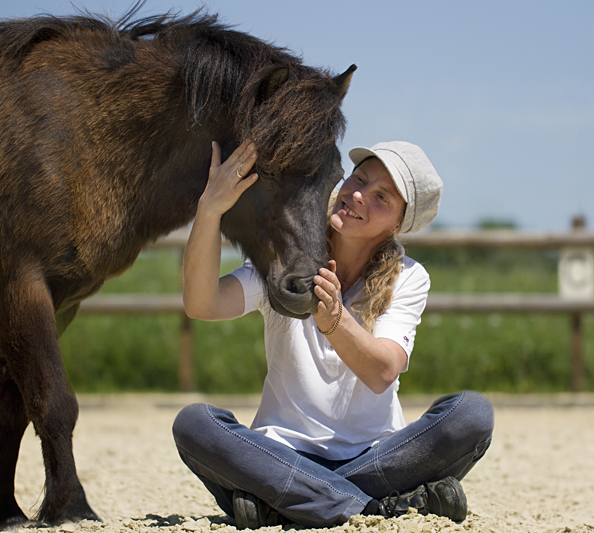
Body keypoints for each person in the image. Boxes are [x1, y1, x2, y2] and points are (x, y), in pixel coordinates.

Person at [172, 139, 494, 529]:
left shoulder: (410, 277)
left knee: (472, 415)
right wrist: (210, 210)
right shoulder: (283, 256)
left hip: (376, 457)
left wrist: (335, 321)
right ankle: (376, 508)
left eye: (381, 197)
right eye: (358, 179)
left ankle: (292, 502)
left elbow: (381, 372)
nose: (358, 195)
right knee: (194, 424)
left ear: (398, 223)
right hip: (280, 453)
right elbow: (202, 304)